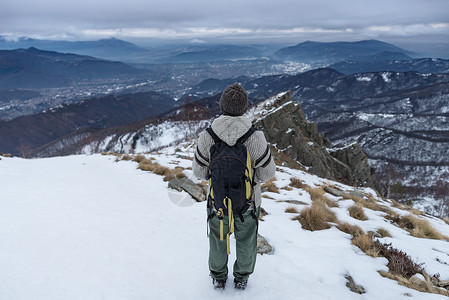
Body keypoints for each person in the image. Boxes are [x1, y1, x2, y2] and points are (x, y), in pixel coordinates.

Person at [192, 83, 276, 290]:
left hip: (217, 201)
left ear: (222, 106)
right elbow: (268, 172)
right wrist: (250, 181)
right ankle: (242, 278)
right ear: (244, 107)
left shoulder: (208, 136)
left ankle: (219, 277)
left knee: (218, 240)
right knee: (246, 240)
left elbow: (199, 172)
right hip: (247, 202)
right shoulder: (255, 137)